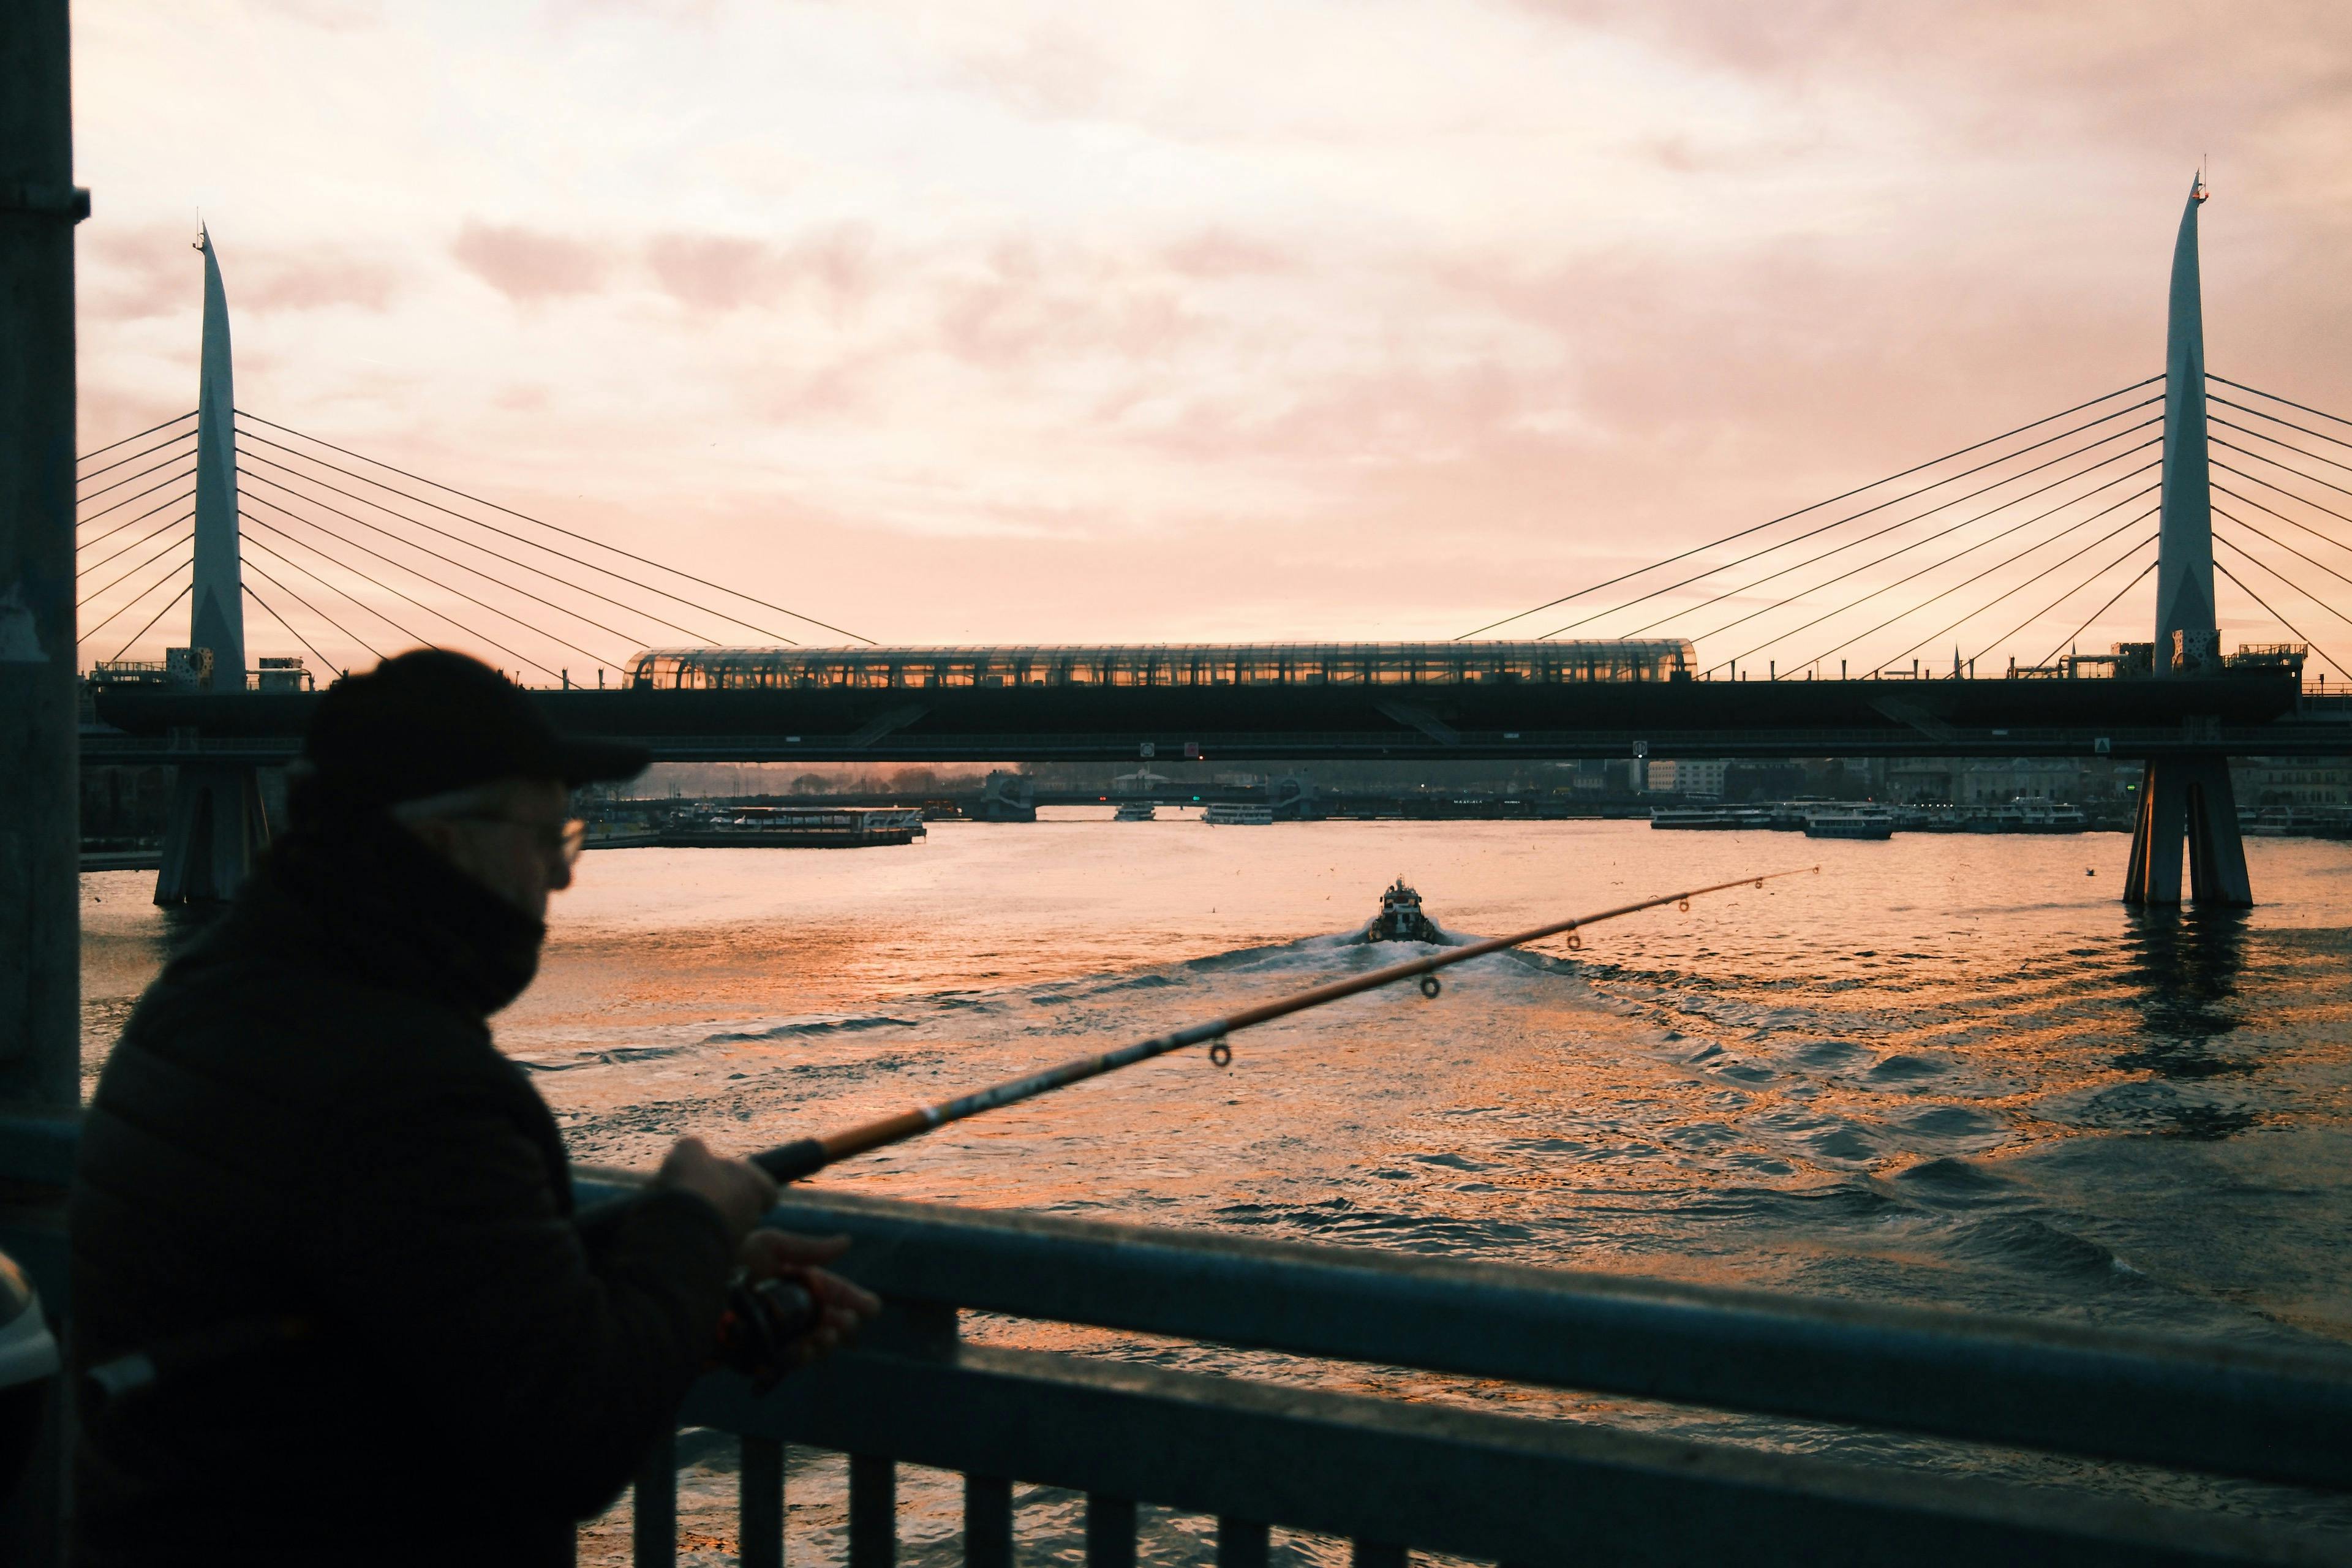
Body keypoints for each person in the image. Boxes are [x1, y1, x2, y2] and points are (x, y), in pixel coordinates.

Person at [69, 650, 878, 1566]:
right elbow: (569, 1439)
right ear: (445, 843)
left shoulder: (205, 1001)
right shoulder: (411, 1084)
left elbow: (378, 1296)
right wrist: (693, 1218)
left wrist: (666, 1278)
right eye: (545, 838)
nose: (561, 877)